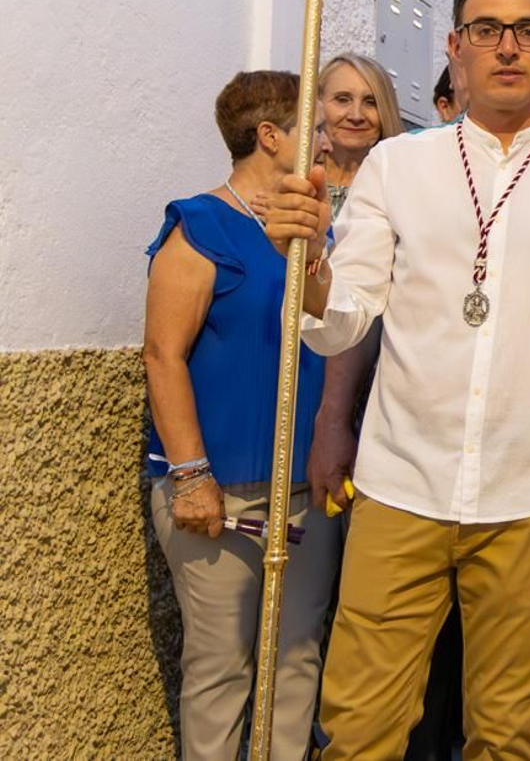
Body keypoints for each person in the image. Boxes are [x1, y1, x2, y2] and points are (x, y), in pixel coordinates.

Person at [264, 0, 530, 758]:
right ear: (455, 48)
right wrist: (311, 268)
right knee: (360, 729)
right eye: (485, 30)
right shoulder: (398, 167)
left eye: (526, 31)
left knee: (507, 736)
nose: (506, 46)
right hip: (400, 484)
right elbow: (344, 321)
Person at [142, 70, 340, 761]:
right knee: (222, 667)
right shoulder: (200, 227)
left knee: (296, 662)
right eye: (312, 127)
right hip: (218, 493)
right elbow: (163, 354)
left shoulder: (316, 231)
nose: (325, 139)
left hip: (303, 491)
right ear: (269, 135)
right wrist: (191, 473)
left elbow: (328, 321)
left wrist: (313, 245)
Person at [319, 52, 404, 219]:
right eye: (342, 99)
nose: (356, 116)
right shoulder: (292, 181)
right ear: (317, 105)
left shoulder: (402, 188)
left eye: (370, 102)